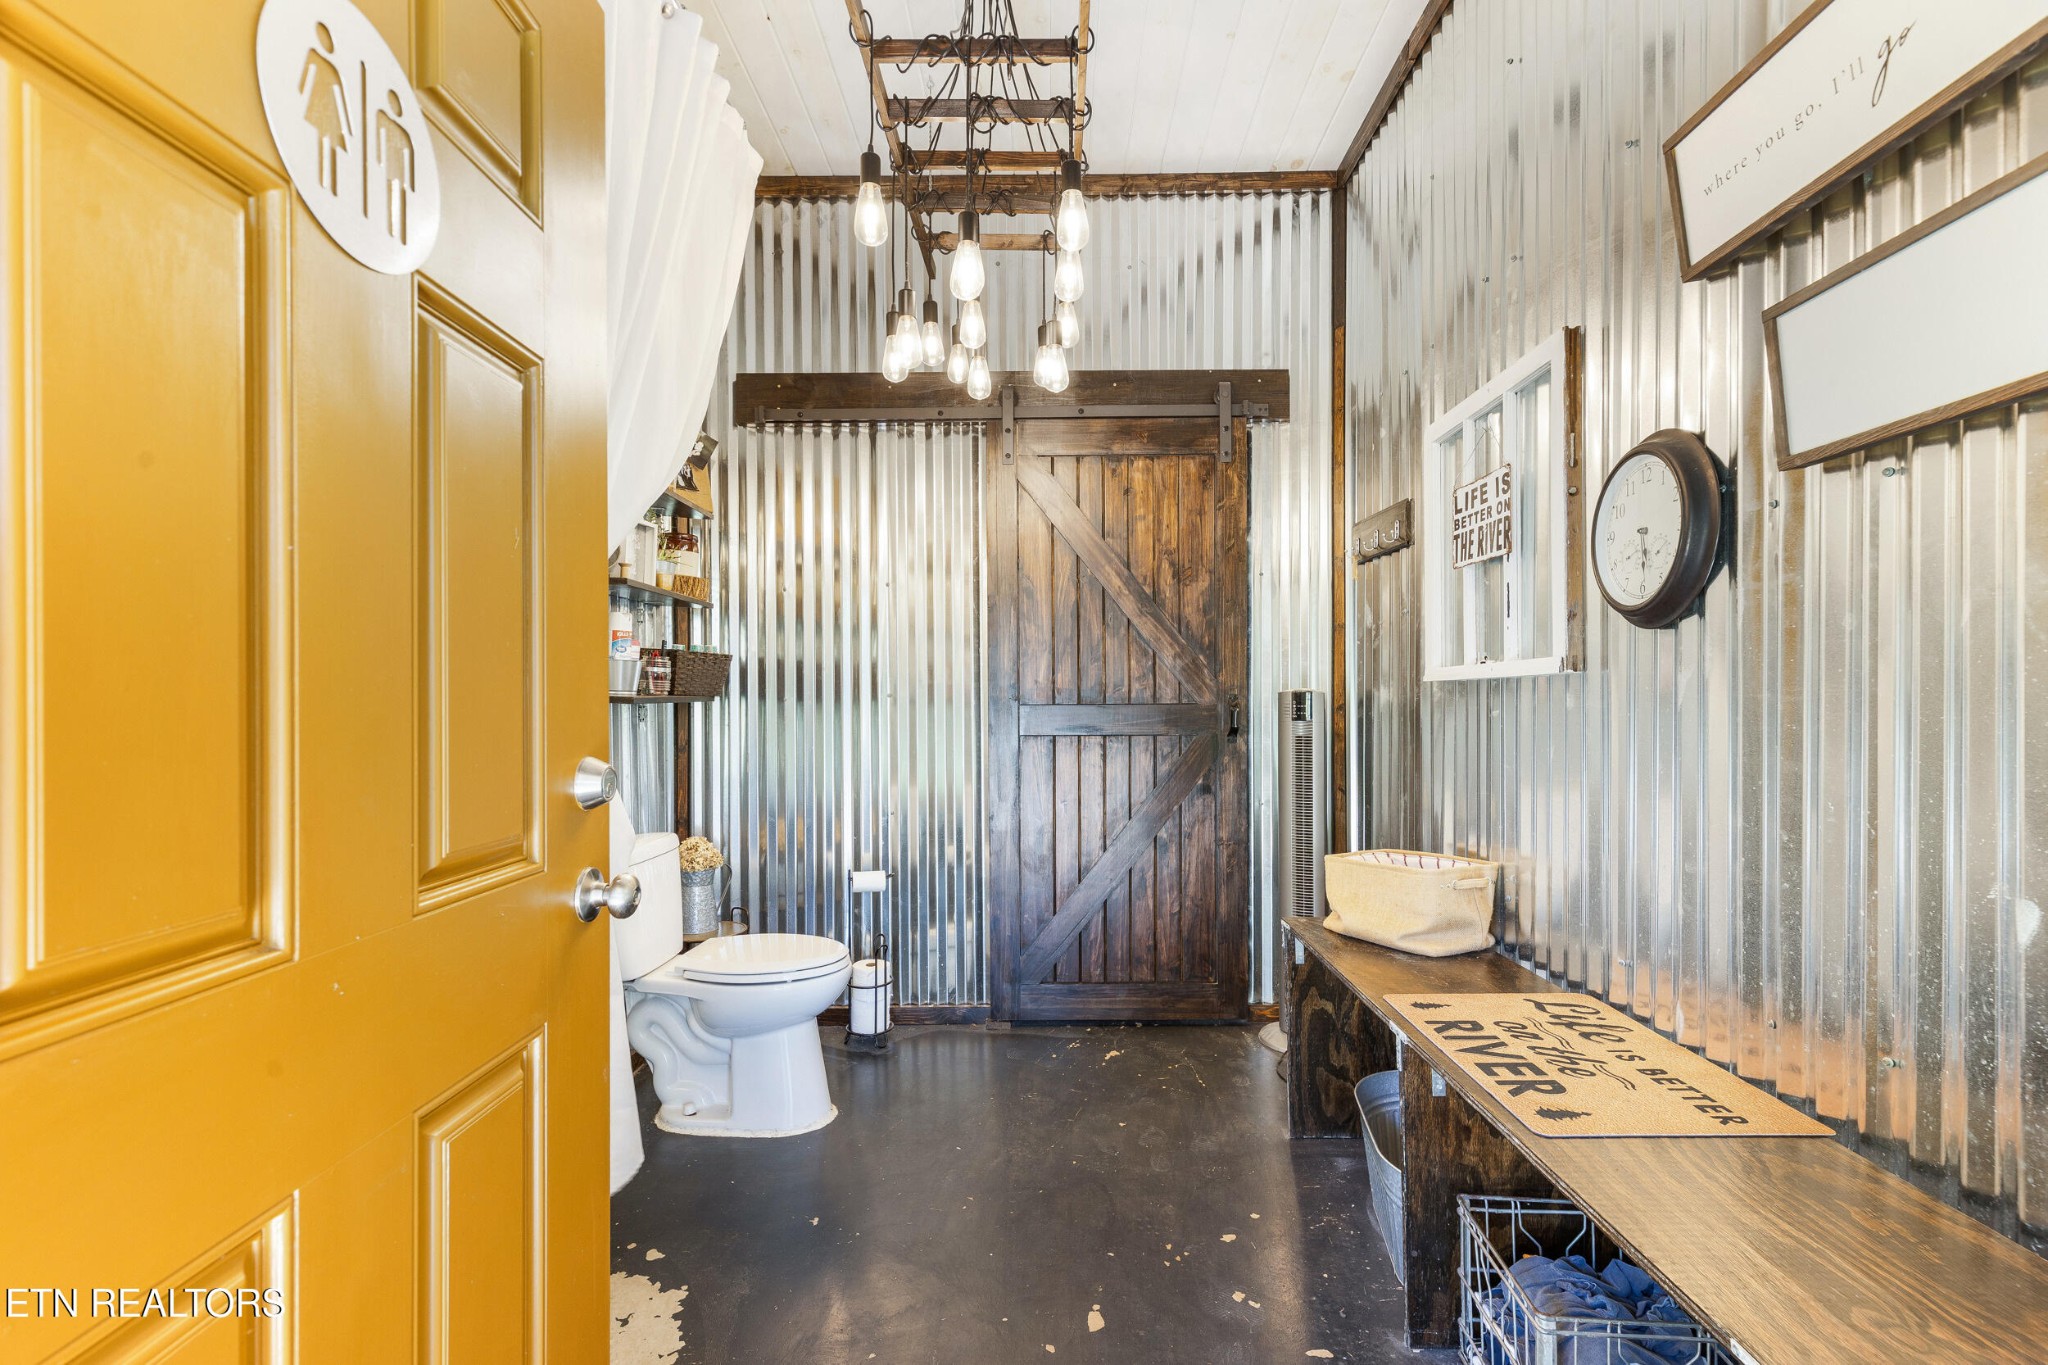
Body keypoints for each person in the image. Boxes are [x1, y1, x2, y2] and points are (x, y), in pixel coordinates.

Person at [298, 23, 350, 196]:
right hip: (319, 106)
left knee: (329, 145)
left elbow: (341, 98)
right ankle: (323, 183)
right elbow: (304, 82)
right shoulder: (315, 58)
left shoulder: (333, 69)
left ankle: (330, 186)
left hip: (329, 110)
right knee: (320, 142)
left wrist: (346, 127)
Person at [374, 90, 416, 243]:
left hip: (398, 174)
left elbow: (407, 155)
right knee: (388, 200)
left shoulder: (401, 132)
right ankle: (389, 233)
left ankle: (393, 234)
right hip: (389, 171)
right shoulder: (383, 121)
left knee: (397, 203)